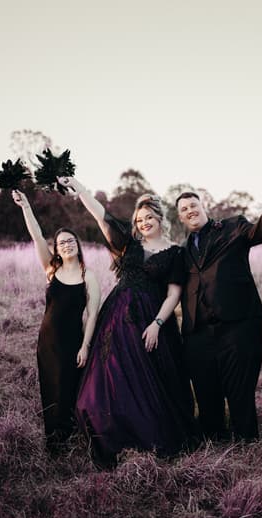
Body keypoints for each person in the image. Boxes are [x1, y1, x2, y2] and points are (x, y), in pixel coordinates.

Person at [57, 176, 197, 463]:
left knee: (151, 386)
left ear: (160, 218)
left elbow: (173, 295)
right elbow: (101, 216)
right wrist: (79, 187)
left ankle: (147, 441)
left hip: (151, 320)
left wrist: (157, 324)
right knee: (107, 382)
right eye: (139, 219)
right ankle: (112, 435)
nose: (144, 223)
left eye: (149, 217)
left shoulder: (175, 253)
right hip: (117, 318)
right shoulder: (129, 245)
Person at [175, 175, 262, 441]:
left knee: (240, 389)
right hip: (198, 332)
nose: (190, 210)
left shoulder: (232, 227)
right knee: (205, 390)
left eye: (193, 205)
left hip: (237, 326)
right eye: (183, 209)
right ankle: (214, 438)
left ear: (203, 207)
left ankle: (246, 441)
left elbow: (258, 233)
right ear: (180, 217)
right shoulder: (182, 251)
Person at [12, 190, 101, 454]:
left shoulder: (89, 276)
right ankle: (53, 441)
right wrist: (26, 206)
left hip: (73, 341)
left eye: (70, 241)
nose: (66, 245)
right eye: (61, 242)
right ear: (57, 248)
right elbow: (37, 236)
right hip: (47, 341)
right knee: (50, 387)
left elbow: (92, 314)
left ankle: (71, 436)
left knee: (69, 388)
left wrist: (85, 346)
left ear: (77, 244)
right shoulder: (52, 270)